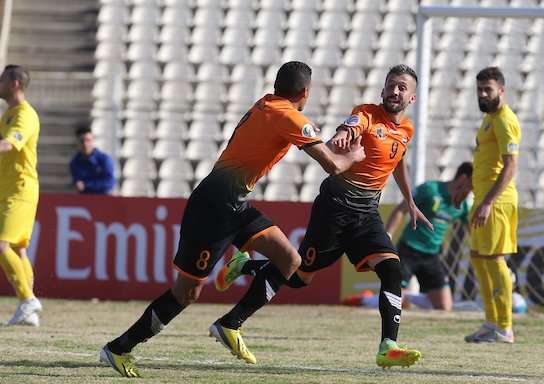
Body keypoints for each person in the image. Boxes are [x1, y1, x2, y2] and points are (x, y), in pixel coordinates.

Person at [99, 61, 365, 378]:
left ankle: (230, 322)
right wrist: (355, 155)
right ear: (305, 92)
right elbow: (333, 166)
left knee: (289, 260)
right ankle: (118, 349)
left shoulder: (266, 104)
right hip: (214, 207)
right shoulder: (286, 115)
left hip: (235, 203)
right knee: (186, 294)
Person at [212, 64, 432, 369]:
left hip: (367, 213)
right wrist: (342, 136)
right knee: (299, 276)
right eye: (391, 85)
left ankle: (387, 346)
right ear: (382, 91)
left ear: (412, 98)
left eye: (402, 87)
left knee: (393, 270)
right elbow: (349, 129)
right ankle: (237, 298)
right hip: (336, 209)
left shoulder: (406, 129)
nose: (395, 91)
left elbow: (398, 160)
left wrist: (409, 199)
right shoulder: (366, 115)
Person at [343, 162, 472, 311]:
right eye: (471, 185)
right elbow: (400, 210)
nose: (471, 191)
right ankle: (364, 300)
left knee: (445, 307)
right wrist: (388, 236)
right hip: (409, 250)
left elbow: (471, 227)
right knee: (393, 300)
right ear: (463, 179)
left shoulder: (462, 206)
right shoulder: (430, 189)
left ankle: (406, 296)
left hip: (432, 256)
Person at [464, 67, 520, 344]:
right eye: (479, 89)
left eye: (488, 89)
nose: (483, 94)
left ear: (501, 90)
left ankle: (505, 327)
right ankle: (490, 323)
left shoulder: (505, 120)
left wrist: (487, 202)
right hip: (483, 199)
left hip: (496, 202)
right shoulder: (489, 118)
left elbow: (511, 166)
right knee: (477, 256)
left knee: (495, 258)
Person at [0, 65, 43, 327]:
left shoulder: (25, 115)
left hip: (20, 190)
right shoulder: (10, 113)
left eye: (2, 79)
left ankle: (28, 299)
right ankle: (29, 310)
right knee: (18, 249)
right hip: (9, 189)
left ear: (14, 83)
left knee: (2, 246)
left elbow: (8, 144)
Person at [69, 126, 115, 194]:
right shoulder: (75, 162)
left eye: (88, 140)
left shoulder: (104, 159)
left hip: (102, 199)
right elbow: (77, 182)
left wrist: (87, 185)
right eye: (82, 141)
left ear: (93, 140)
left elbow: (110, 183)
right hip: (85, 201)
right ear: (77, 142)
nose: (85, 144)